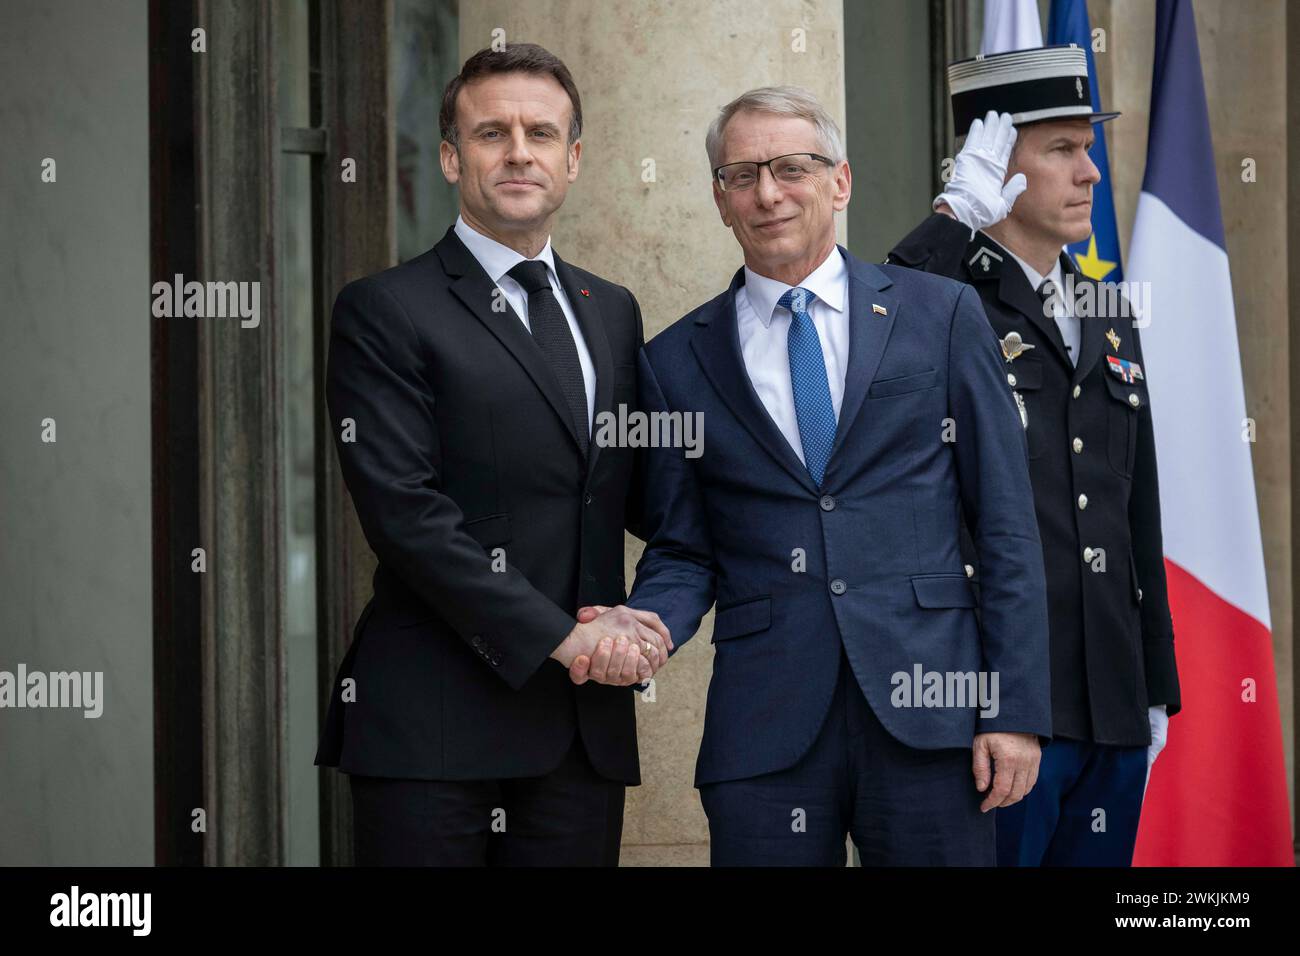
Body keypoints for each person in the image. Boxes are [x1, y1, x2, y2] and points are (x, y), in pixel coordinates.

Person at [576, 86, 1051, 866]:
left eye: (792, 168)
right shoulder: (673, 362)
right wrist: (646, 624)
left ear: (840, 182)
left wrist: (1014, 706)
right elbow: (686, 546)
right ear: (721, 200)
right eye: (742, 175)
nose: (768, 193)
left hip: (933, 714)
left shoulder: (943, 315)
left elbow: (1005, 523)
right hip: (765, 732)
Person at [315, 42, 671, 867]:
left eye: (541, 133)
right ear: (450, 156)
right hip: (436, 729)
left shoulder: (610, 310)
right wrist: (564, 637)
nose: (519, 151)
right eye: (491, 133)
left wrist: (648, 624)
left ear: (572, 159)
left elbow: (643, 495)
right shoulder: (384, 310)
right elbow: (407, 516)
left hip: (579, 738)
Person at [887, 44, 1180, 866]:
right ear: (997, 169)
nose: (1089, 173)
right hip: (1003, 709)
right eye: (1061, 149)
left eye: (1088, 148)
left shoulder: (1105, 308)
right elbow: (868, 349)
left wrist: (1156, 680)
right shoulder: (939, 304)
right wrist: (951, 222)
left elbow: (1135, 506)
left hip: (1110, 697)